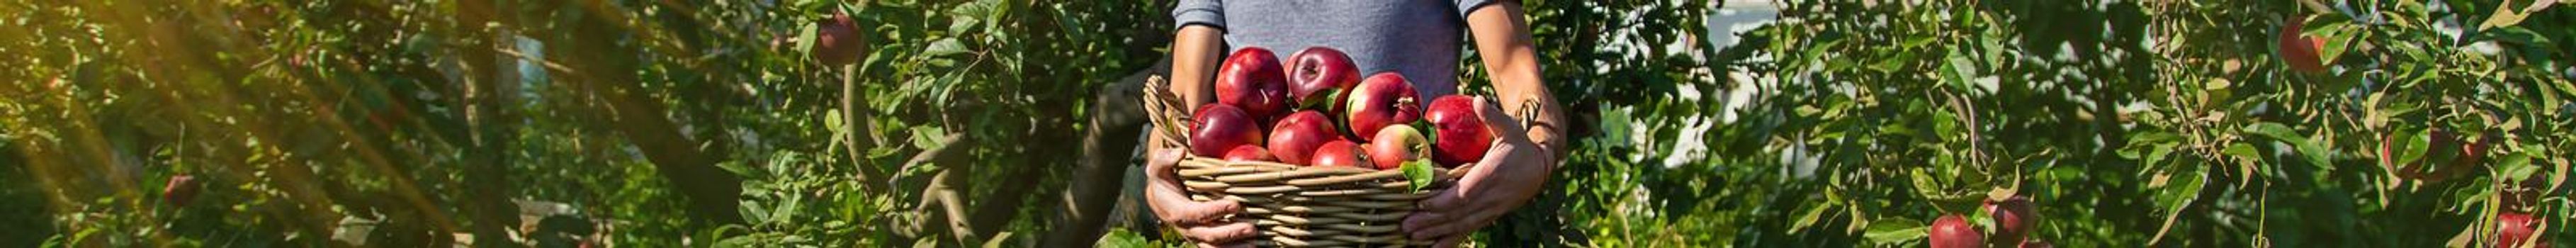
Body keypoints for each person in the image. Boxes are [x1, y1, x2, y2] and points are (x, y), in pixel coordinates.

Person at [1142, 1, 1567, 247]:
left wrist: (1539, 157)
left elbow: (1522, 80)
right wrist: (1161, 186)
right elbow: (1180, 117)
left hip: (1397, 231)